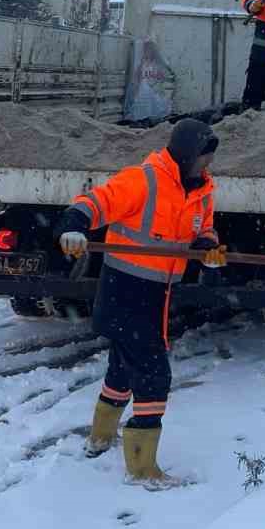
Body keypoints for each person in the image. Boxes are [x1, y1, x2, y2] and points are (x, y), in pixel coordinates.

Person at [55, 118, 226, 483]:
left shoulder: (201, 189)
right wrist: (73, 226)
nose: (207, 165)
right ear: (184, 154)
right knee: (152, 374)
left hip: (158, 293)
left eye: (209, 158)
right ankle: (143, 467)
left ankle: (100, 438)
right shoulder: (143, 180)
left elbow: (204, 226)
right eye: (202, 157)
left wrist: (207, 245)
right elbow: (94, 202)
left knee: (123, 365)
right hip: (125, 289)